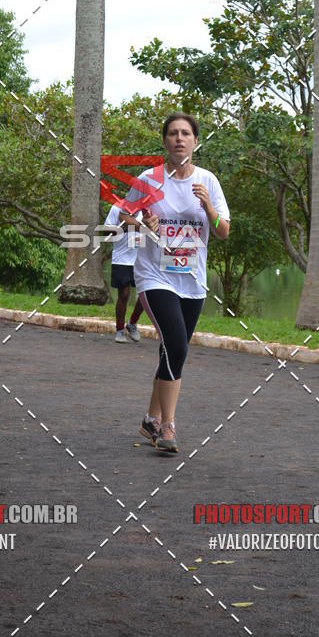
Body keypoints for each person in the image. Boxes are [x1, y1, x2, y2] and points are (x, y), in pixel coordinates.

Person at [119, 114, 230, 454]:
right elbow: (122, 221)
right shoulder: (149, 180)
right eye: (172, 133)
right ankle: (167, 427)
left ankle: (150, 418)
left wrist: (208, 206)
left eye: (186, 133)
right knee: (178, 346)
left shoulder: (208, 181)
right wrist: (142, 223)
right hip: (155, 276)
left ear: (196, 141)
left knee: (171, 348)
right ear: (165, 141)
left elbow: (224, 230)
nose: (179, 138)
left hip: (192, 281)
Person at [104, 203, 144, 343]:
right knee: (124, 294)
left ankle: (132, 324)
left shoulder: (146, 210)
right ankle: (120, 330)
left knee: (146, 296)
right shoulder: (118, 208)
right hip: (122, 259)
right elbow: (106, 231)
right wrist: (123, 227)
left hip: (142, 259)